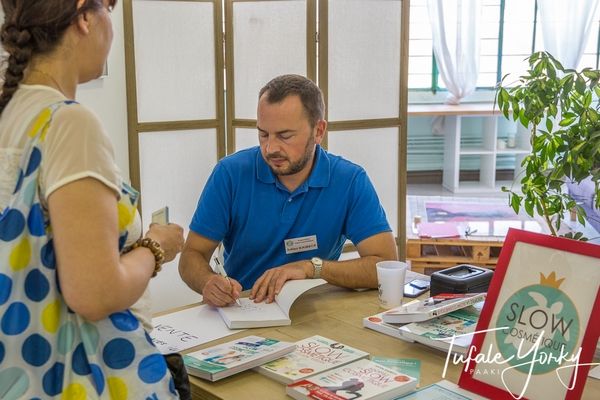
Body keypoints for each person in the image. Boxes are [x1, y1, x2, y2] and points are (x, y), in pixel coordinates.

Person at [0, 1, 185, 398]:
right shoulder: (68, 123)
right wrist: (156, 247)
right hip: (87, 374)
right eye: (109, 12)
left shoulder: (11, 113)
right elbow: (94, 294)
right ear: (84, 16)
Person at [179, 74, 397, 307]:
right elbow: (191, 256)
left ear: (318, 131)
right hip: (244, 307)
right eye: (263, 134)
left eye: (285, 136)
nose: (271, 148)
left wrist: (312, 267)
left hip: (319, 307)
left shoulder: (350, 180)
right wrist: (207, 281)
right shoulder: (230, 174)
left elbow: (384, 266)